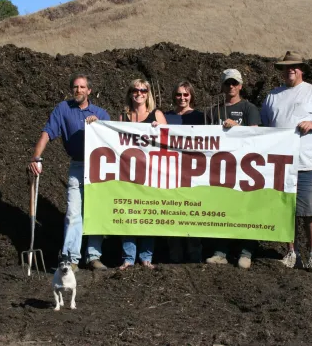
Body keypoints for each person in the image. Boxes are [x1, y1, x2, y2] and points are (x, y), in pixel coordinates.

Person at [260, 51, 312, 273]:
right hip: (281, 164)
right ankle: (291, 252)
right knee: (286, 210)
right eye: (286, 67)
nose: (290, 70)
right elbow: (263, 129)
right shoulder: (272, 97)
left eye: (294, 66)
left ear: (301, 69)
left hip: (307, 163)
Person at [28, 73, 111, 272]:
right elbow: (47, 132)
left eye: (83, 87)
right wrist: (35, 157)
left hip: (99, 167)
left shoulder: (100, 113)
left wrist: (99, 124)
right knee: (74, 212)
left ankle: (93, 256)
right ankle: (71, 258)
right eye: (75, 87)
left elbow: (112, 138)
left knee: (96, 213)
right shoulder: (63, 109)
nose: (78, 90)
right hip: (78, 166)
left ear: (89, 91)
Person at [205, 68, 262, 269]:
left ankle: (246, 253)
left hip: (244, 169)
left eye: (235, 83)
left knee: (247, 210)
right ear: (222, 85)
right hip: (221, 169)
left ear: (240, 85)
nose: (231, 86)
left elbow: (257, 136)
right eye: (228, 83)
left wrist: (237, 128)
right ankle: (221, 252)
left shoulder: (249, 108)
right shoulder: (213, 111)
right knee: (222, 211)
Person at [118, 79, 167, 270]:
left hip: (150, 173)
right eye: (135, 90)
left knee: (148, 213)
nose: (139, 93)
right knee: (128, 214)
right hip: (128, 173)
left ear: (148, 94)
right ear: (130, 93)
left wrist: (159, 129)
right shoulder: (123, 116)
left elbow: (168, 141)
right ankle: (128, 257)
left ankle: (146, 256)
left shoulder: (157, 114)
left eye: (143, 90)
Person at [163, 81, 204, 263]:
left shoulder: (200, 117)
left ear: (191, 96)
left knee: (193, 211)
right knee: (172, 211)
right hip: (171, 171)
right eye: (179, 94)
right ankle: (175, 255)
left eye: (186, 95)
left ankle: (195, 254)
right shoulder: (166, 117)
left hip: (194, 172)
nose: (182, 98)